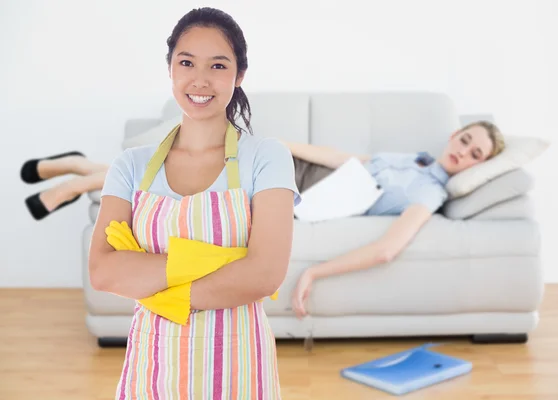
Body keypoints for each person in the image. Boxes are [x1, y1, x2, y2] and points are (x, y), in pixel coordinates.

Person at [86, 8, 299, 399]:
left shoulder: (267, 158)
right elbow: (102, 271)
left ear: (239, 76)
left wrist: (158, 290)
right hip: (152, 365)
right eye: (187, 62)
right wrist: (225, 262)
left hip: (238, 366)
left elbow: (265, 275)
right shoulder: (131, 166)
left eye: (218, 65)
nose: (200, 79)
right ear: (170, 69)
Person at [286, 120, 505, 319]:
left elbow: (386, 250)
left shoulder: (430, 193)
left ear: (479, 166)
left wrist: (313, 272)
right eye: (464, 140)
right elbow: (340, 159)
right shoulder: (416, 159)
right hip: (295, 168)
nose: (463, 151)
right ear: (454, 136)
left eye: (475, 154)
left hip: (301, 191)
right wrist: (280, 144)